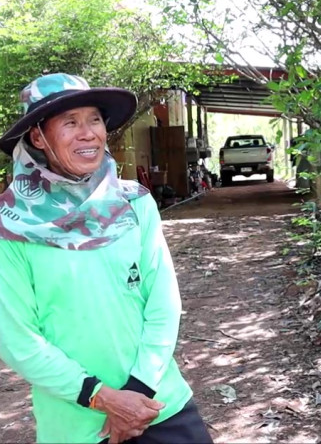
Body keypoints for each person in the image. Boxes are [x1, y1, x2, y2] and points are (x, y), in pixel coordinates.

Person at [0, 73, 213, 444]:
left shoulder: (134, 203)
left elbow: (163, 301)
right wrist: (101, 398)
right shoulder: (11, 227)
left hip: (159, 405)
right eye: (70, 123)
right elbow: (18, 339)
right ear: (38, 137)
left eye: (94, 120)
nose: (88, 134)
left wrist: (139, 390)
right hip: (78, 427)